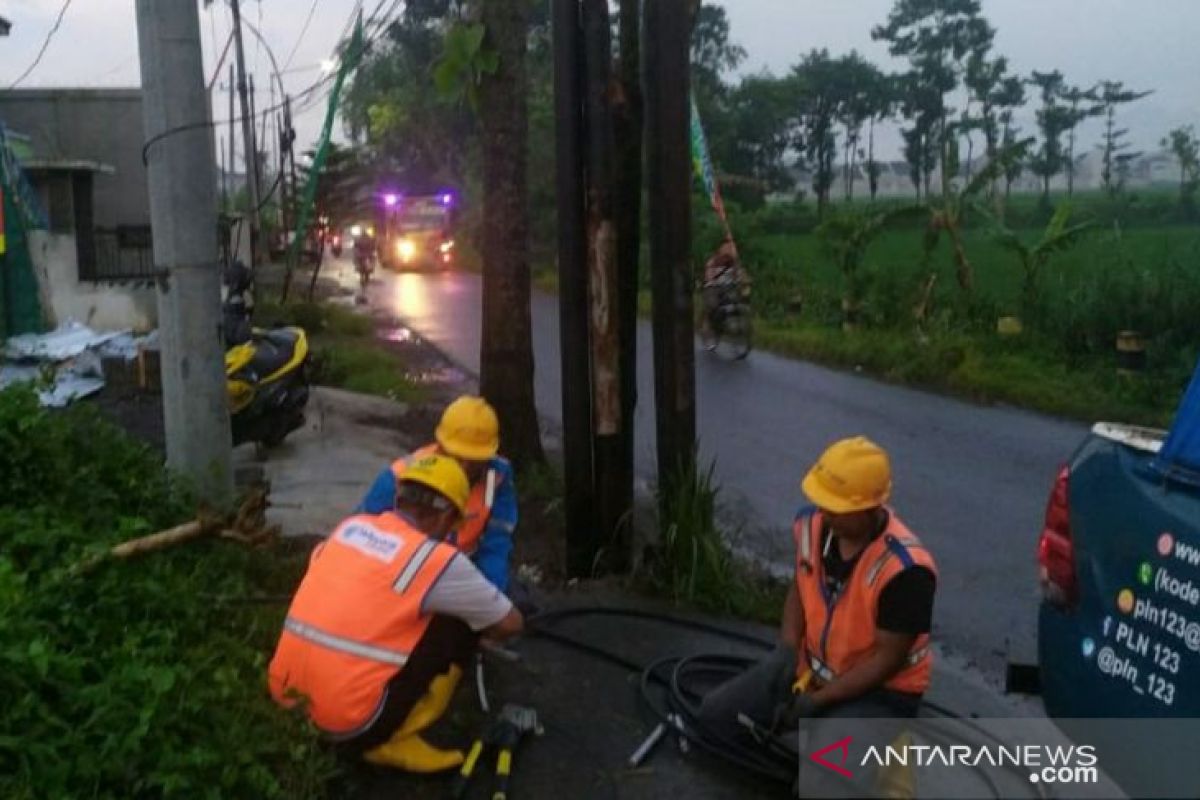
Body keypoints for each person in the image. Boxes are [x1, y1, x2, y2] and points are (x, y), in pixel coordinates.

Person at [268, 455, 524, 772]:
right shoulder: (434, 558)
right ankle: (394, 737)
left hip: (284, 704)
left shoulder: (350, 528)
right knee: (460, 624)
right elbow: (510, 623)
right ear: (446, 517)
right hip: (350, 725)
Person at [698, 436, 937, 738]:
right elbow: (801, 587)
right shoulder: (813, 527)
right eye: (823, 503)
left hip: (881, 694)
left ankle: (878, 750)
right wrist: (786, 648)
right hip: (812, 675)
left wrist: (818, 701)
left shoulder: (906, 571)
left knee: (818, 769)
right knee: (714, 716)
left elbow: (886, 661)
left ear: (869, 508)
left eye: (836, 508)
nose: (825, 514)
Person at [358, 396, 517, 592]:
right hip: (404, 575)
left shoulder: (498, 476)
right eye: (457, 458)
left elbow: (496, 544)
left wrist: (491, 594)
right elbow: (362, 540)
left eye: (474, 460)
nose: (465, 468)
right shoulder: (399, 477)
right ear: (440, 446)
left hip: (462, 573)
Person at [700, 239, 750, 345]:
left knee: (737, 302)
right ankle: (709, 327)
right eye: (726, 247)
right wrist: (713, 280)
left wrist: (743, 280)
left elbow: (740, 274)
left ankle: (735, 326)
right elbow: (709, 275)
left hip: (728, 288)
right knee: (712, 306)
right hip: (713, 287)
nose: (729, 250)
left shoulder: (733, 263)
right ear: (721, 249)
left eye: (730, 248)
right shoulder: (713, 261)